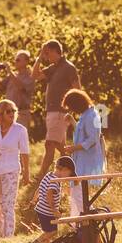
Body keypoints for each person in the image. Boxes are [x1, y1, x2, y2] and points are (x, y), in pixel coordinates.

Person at [33, 40, 80, 179]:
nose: (46, 56)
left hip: (60, 112)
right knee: (61, 146)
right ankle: (74, 167)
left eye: (48, 53)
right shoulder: (53, 67)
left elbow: (77, 89)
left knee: (49, 144)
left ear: (55, 51)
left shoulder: (69, 67)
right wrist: (40, 57)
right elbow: (34, 76)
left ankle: (41, 176)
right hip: (52, 112)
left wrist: (71, 109)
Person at [0, 99, 30, 237]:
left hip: (11, 171)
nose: (12, 113)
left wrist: (26, 172)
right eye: (8, 111)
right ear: (0, 114)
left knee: (8, 205)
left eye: (13, 110)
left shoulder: (20, 130)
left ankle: (8, 236)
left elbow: (25, 152)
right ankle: (2, 234)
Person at [64, 89, 105, 216]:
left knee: (78, 194)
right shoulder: (85, 115)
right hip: (81, 160)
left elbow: (92, 139)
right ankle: (79, 225)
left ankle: (90, 219)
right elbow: (83, 133)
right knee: (76, 193)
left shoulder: (92, 115)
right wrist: (72, 121)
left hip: (88, 161)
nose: (72, 110)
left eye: (72, 107)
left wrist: (74, 148)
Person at [32, 156, 76, 243]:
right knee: (53, 232)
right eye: (69, 174)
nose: (68, 178)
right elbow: (49, 194)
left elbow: (40, 188)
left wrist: (34, 199)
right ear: (64, 169)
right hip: (46, 211)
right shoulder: (55, 182)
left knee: (48, 231)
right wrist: (54, 210)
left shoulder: (49, 175)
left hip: (41, 209)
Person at [0, 50, 38, 129]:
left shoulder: (30, 76)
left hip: (22, 113)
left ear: (26, 61)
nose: (15, 62)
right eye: (15, 60)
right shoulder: (12, 76)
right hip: (8, 113)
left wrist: (9, 71)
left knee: (19, 140)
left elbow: (21, 88)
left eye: (18, 60)